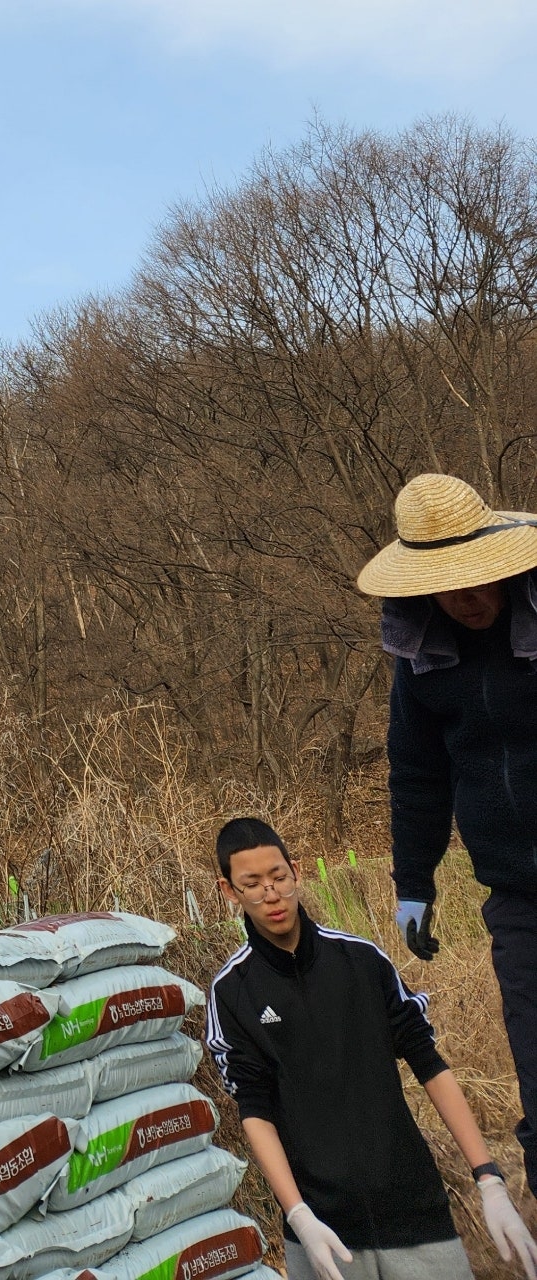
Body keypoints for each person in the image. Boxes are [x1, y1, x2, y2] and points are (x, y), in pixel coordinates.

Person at [206, 815, 537, 1280]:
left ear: (296, 871)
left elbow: (429, 1063)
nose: (271, 895)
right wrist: (298, 1215)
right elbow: (253, 1107)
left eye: (278, 877)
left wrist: (488, 1178)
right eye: (253, 884)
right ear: (229, 891)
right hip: (323, 1231)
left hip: (415, 1214)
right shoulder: (233, 991)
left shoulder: (360, 961)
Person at [357, 471, 537, 1200]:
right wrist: (412, 886)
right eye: (446, 586)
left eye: (476, 583)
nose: (465, 601)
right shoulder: (421, 660)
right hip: (516, 896)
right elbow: (418, 777)